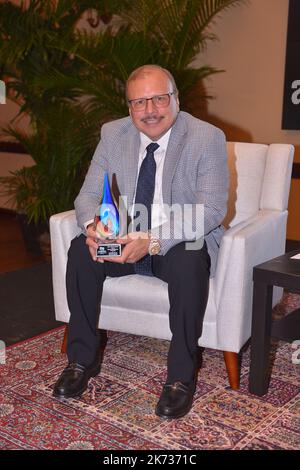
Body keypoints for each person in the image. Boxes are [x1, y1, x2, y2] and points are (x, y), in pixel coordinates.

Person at [53, 64, 229, 419]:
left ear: (175, 99)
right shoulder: (113, 134)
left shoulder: (206, 137)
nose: (149, 111)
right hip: (125, 240)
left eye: (158, 99)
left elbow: (210, 210)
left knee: (189, 261)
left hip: (177, 239)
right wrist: (94, 226)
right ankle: (80, 362)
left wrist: (151, 241)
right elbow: (86, 195)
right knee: (80, 251)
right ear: (129, 107)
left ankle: (180, 378)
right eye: (138, 102)